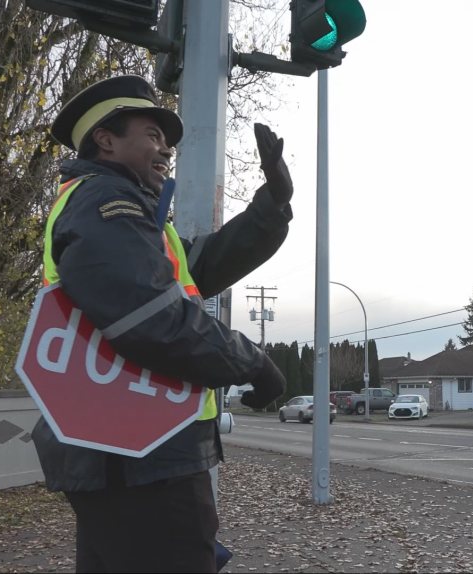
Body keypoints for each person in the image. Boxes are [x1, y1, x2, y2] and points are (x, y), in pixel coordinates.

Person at [31, 75, 292, 573]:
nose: (166, 150)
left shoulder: (128, 214)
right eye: (152, 136)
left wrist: (270, 205)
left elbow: (202, 267)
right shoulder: (106, 203)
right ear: (106, 140)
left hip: (128, 448)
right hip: (137, 454)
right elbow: (151, 317)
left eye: (167, 141)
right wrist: (252, 361)